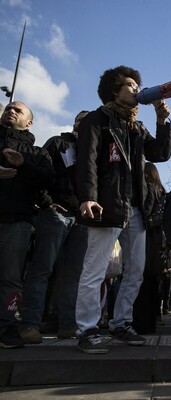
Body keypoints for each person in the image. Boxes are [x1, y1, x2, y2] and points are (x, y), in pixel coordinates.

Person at [75, 65, 171, 354]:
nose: (136, 89)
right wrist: (87, 197)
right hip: (107, 206)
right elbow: (87, 161)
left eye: (135, 84)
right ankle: (87, 329)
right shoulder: (97, 119)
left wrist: (162, 121)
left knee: (136, 272)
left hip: (135, 210)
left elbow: (160, 155)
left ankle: (121, 323)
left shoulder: (137, 126)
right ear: (113, 90)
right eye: (129, 85)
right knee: (95, 271)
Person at [19, 111, 89, 344]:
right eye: (81, 120)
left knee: (73, 275)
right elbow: (41, 173)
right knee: (42, 269)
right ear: (74, 124)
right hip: (56, 214)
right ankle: (29, 323)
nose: (84, 124)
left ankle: (67, 325)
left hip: (82, 219)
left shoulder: (94, 150)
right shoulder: (58, 143)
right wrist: (47, 203)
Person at [0, 101, 54, 348]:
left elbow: (47, 180)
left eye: (18, 110)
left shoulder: (38, 153)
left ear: (29, 122)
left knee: (11, 277)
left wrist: (24, 164)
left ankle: (5, 327)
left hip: (18, 221)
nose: (11, 111)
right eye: (8, 108)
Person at [132, 162, 166, 334]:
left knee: (142, 278)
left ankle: (141, 321)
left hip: (147, 238)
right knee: (152, 280)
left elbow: (145, 213)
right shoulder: (162, 190)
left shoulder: (150, 189)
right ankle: (150, 319)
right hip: (156, 240)